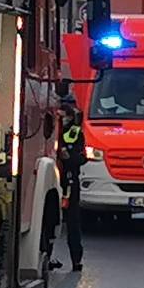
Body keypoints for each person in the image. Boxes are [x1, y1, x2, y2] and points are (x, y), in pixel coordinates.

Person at [54, 89, 88, 271]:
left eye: (63, 116)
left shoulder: (75, 133)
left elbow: (83, 158)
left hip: (69, 182)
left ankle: (76, 259)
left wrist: (68, 157)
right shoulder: (50, 129)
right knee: (51, 222)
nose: (61, 119)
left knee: (73, 224)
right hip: (54, 180)